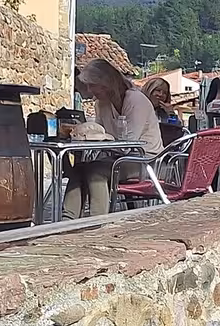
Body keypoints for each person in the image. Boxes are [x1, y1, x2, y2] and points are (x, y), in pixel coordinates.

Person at [66, 59, 164, 218]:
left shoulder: (135, 100)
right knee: (78, 169)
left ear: (105, 83)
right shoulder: (101, 103)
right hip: (119, 157)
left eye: (92, 85)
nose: (90, 90)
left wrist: (100, 137)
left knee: (96, 171)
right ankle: (68, 219)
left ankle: (98, 221)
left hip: (146, 160)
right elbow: (98, 133)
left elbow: (129, 142)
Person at [142, 76, 184, 147]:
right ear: (149, 90)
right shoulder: (139, 109)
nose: (161, 95)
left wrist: (171, 113)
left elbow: (176, 131)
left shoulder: (163, 113)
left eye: (164, 93)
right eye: (158, 90)